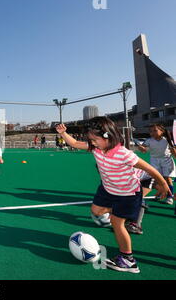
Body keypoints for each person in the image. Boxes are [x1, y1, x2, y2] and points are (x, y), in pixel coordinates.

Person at [56, 117, 170, 273]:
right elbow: (75, 143)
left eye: (94, 139)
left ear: (107, 136)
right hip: (108, 189)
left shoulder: (123, 154)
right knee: (96, 211)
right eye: (90, 140)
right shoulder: (95, 148)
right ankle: (123, 213)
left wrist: (163, 184)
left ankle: (128, 260)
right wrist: (63, 133)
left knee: (117, 223)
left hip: (127, 194)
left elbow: (149, 168)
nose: (92, 143)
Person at [137, 123, 176, 205]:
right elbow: (143, 150)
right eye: (151, 131)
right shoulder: (149, 140)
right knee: (155, 178)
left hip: (166, 161)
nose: (152, 133)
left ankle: (169, 196)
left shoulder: (167, 140)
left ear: (162, 131)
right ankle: (161, 192)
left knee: (167, 179)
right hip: (154, 161)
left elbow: (174, 154)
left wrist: (174, 151)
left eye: (155, 130)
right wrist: (141, 148)